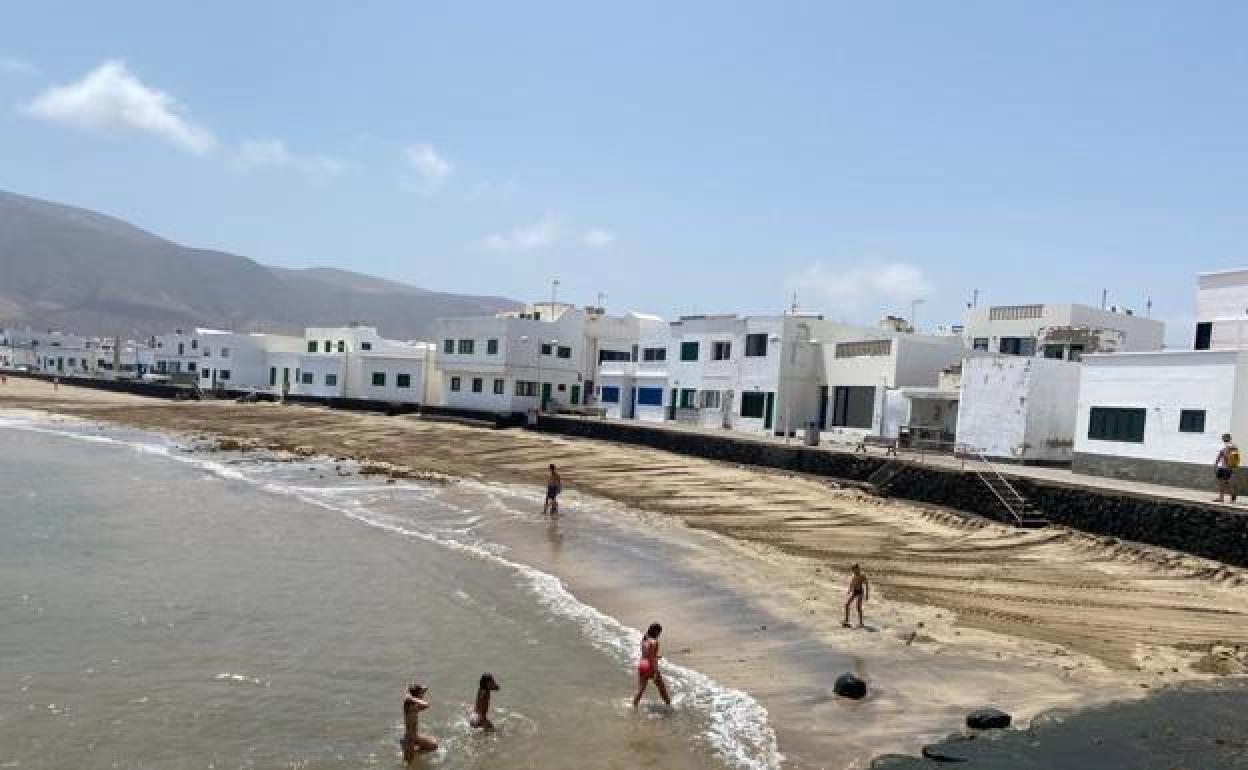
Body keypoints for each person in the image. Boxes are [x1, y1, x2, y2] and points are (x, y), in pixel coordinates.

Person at [633, 622, 672, 708]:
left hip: (642, 664)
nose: (659, 634)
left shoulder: (644, 639)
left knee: (641, 689)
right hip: (650, 666)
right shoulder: (655, 642)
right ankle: (669, 707)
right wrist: (655, 672)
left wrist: (655, 656)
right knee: (662, 689)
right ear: (656, 632)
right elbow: (652, 659)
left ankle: (634, 705)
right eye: (659, 632)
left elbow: (647, 654)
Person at [400, 683, 437, 763]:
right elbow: (425, 704)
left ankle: (413, 753)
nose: (423, 696)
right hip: (409, 739)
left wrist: (411, 695)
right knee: (409, 764)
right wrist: (412, 698)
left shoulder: (415, 705)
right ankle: (408, 752)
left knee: (434, 746)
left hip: (415, 736)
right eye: (421, 694)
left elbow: (426, 689)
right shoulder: (408, 705)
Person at [1215, 433, 1240, 503]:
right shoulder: (1234, 446)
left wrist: (1216, 463)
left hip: (1224, 467)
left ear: (1225, 438)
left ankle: (1222, 498)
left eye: (1223, 437)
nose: (1222, 439)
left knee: (1221, 482)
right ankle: (1232, 494)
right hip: (1228, 467)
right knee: (1226, 482)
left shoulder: (1227, 446)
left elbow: (1222, 454)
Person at [842, 564, 869, 628]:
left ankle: (861, 623)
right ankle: (846, 620)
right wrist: (849, 590)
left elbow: (867, 584)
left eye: (854, 569)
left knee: (858, 607)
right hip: (854, 592)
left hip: (860, 592)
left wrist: (867, 594)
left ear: (857, 568)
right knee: (847, 605)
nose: (853, 571)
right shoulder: (853, 575)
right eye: (852, 569)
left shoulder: (862, 576)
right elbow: (852, 583)